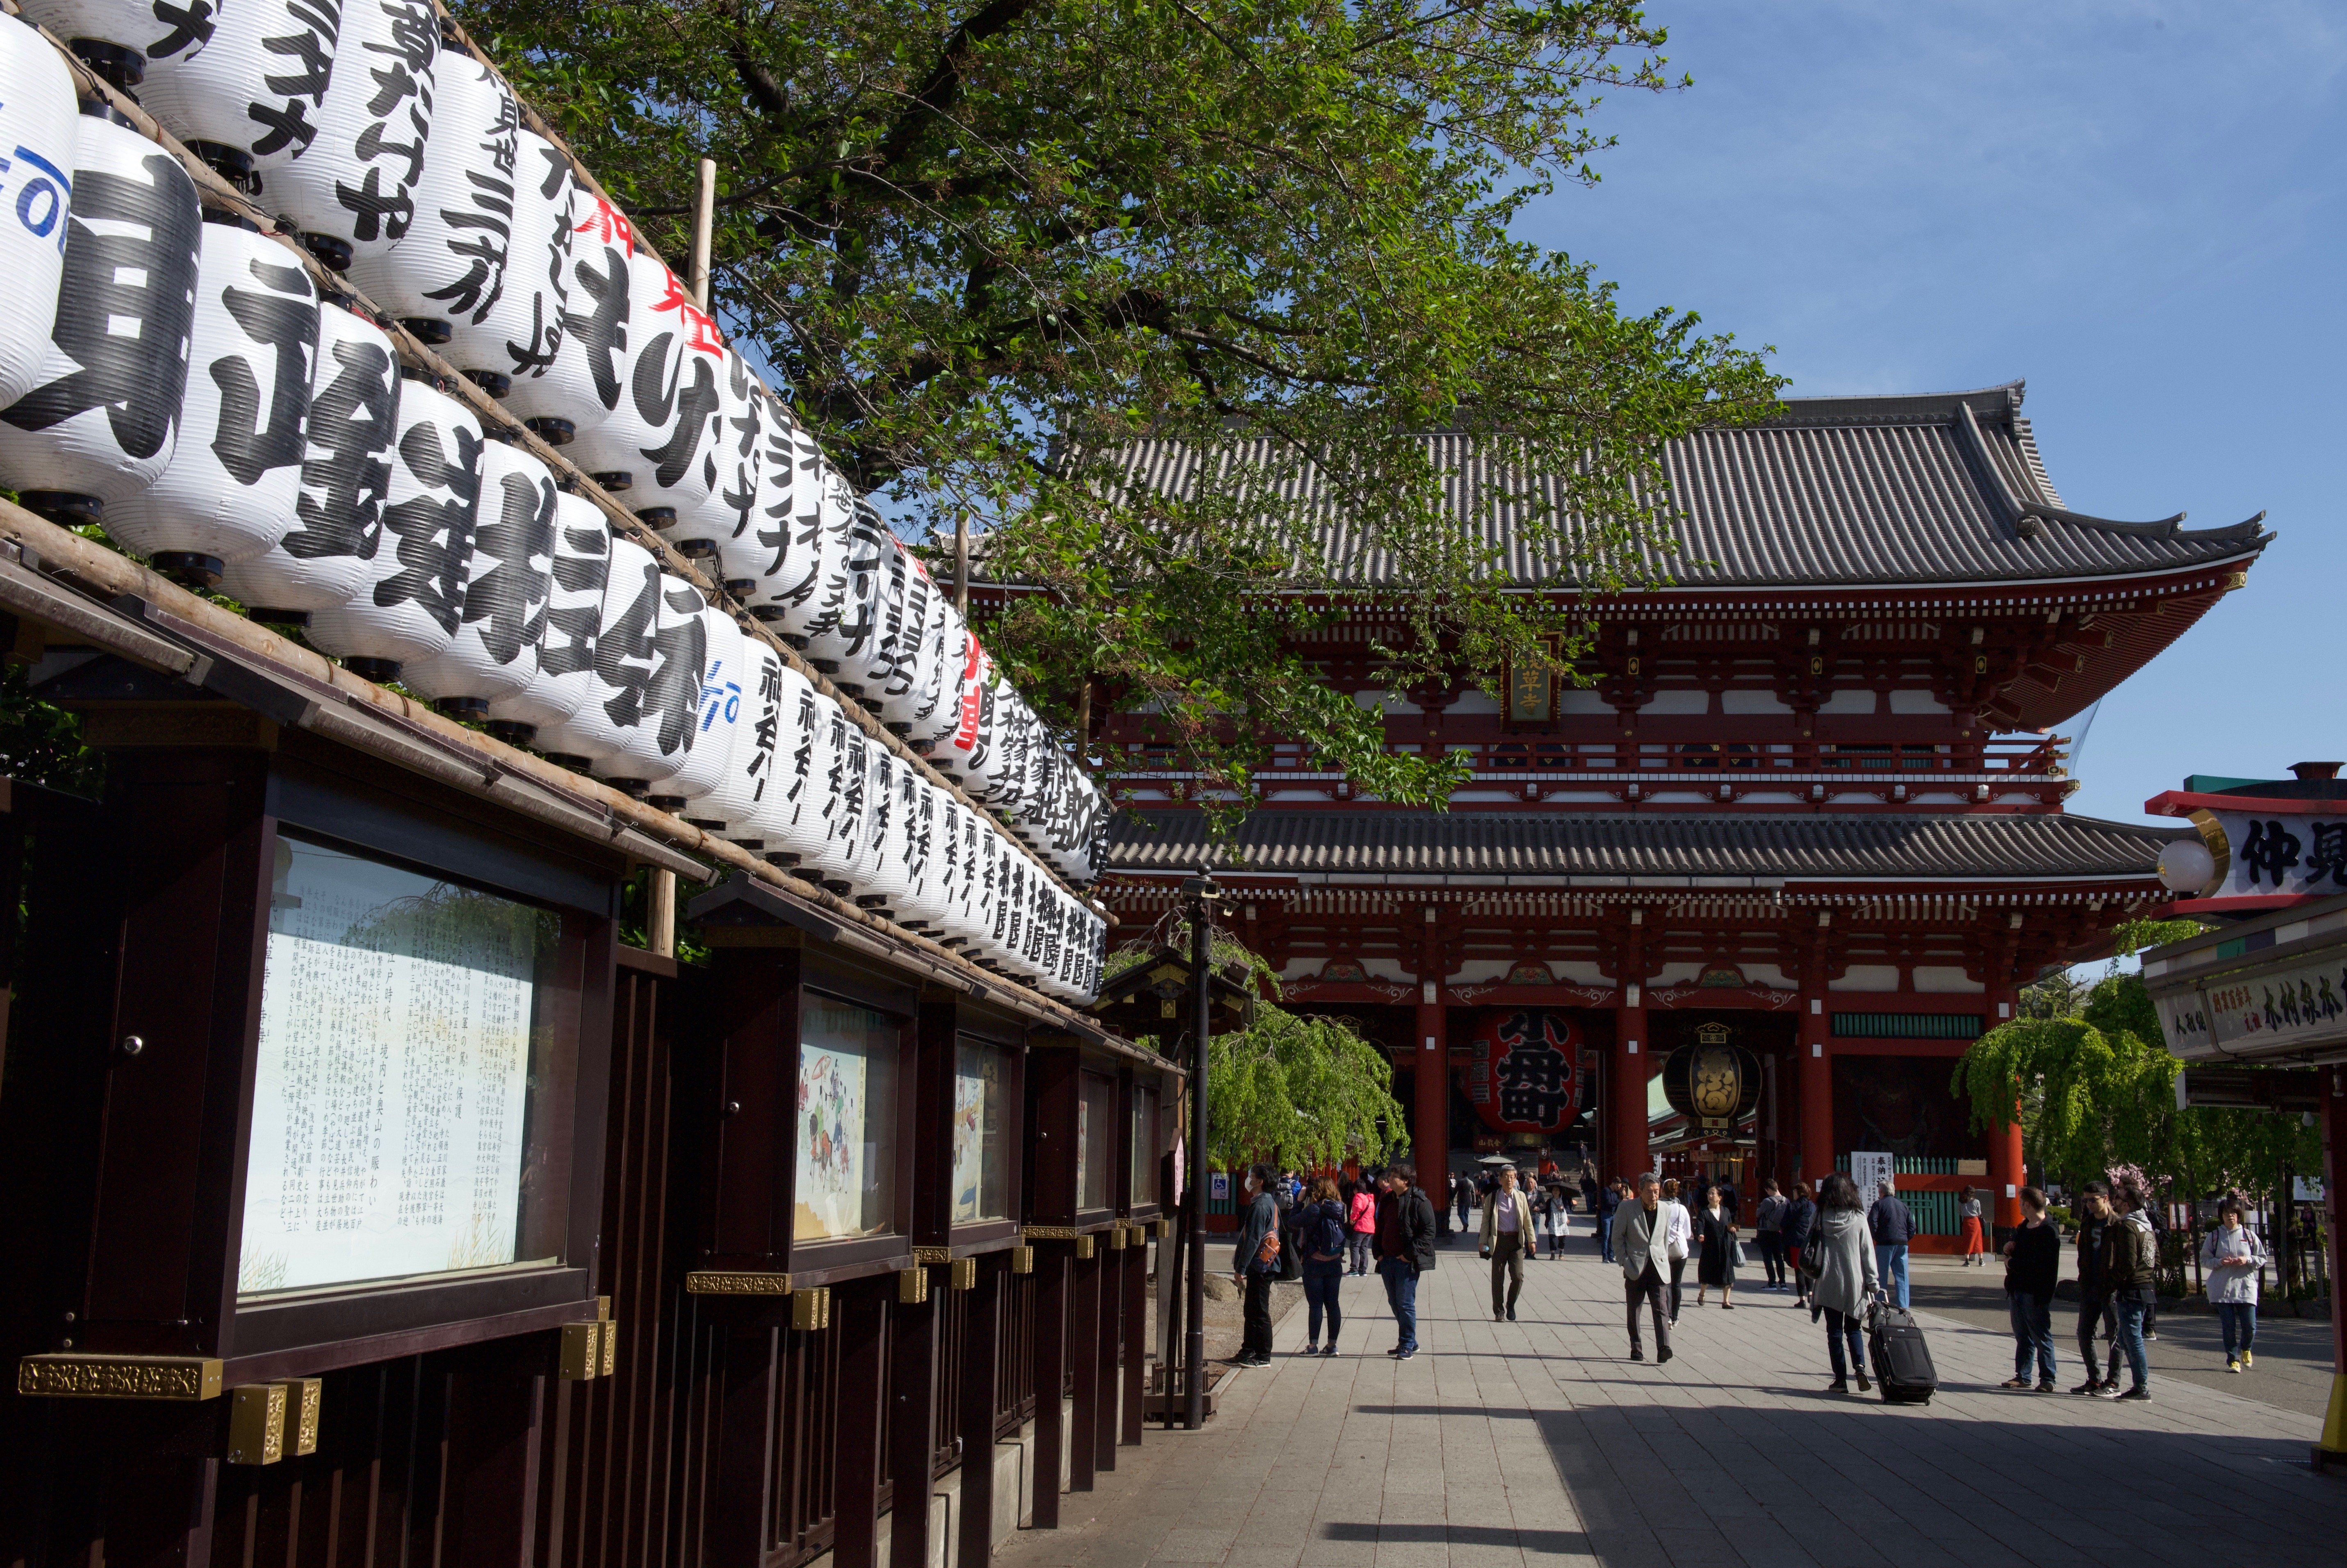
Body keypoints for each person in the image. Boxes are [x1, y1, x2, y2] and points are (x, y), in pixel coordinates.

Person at [1808, 1172, 1881, 1395]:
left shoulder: (1820, 1216)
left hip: (1828, 1280)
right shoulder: (1859, 1218)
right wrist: (1873, 1282)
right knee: (1854, 1329)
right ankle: (1859, 1367)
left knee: (1834, 1333)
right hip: (1854, 1283)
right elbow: (1867, 1252)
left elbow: (1809, 1244)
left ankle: (1840, 1380)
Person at [2098, 1176, 2158, 1401]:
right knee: (2124, 1338)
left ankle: (2141, 1387)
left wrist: (2110, 1284)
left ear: (2127, 1204)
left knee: (2133, 1339)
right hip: (2145, 1286)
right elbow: (2156, 1259)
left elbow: (2127, 1263)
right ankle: (2135, 1384)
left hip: (2132, 1288)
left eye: (2119, 1197)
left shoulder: (2128, 1226)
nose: (2115, 1200)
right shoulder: (2147, 1226)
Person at [1374, 1159, 1437, 1360]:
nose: (1390, 1179)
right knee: (1394, 1302)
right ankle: (1410, 1340)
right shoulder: (1387, 1200)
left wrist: (1409, 1254)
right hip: (1388, 1259)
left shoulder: (1420, 1201)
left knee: (1405, 1303)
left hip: (1407, 1261)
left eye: (1395, 1177)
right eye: (1390, 1176)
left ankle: (1407, 1343)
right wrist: (1378, 1252)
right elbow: (1380, 1228)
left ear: (1406, 1181)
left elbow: (1429, 1232)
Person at [1999, 1185, 2060, 1391]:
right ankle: (2023, 1375)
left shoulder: (2048, 1230)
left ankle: (2048, 1378)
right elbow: (2019, 1249)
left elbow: (2041, 1264)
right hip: (2017, 1287)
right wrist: (2011, 1247)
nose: (2019, 1206)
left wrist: (2013, 1263)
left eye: (2021, 1203)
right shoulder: (2024, 1226)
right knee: (2022, 1335)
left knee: (2040, 1335)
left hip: (2036, 1291)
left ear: (2028, 1204)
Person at [2201, 1194, 2270, 1373]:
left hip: (2245, 1288)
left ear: (2239, 1215)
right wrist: (2219, 1262)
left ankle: (2246, 1349)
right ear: (2221, 1216)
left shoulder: (2249, 1235)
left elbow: (2262, 1258)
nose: (2230, 1216)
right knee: (2229, 1327)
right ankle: (2233, 1360)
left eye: (2233, 1212)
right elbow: (2204, 1260)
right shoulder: (2214, 1236)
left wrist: (2247, 1259)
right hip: (2223, 1289)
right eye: (2226, 1213)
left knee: (2250, 1326)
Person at [1613, 1173, 1674, 1363]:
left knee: (1661, 1309)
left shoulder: (1665, 1209)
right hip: (1635, 1267)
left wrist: (1664, 1259)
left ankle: (1664, 1347)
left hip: (1657, 1267)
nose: (1654, 1196)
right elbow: (1617, 1238)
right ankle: (1636, 1347)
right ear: (1640, 1191)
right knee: (1634, 1310)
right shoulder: (1626, 1208)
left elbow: (1664, 1238)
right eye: (1649, 1192)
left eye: (1657, 1192)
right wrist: (1624, 1261)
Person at [1229, 1164, 1281, 1367]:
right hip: (1265, 1263)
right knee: (1251, 1310)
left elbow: (1253, 1239)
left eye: (1252, 1176)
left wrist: (1240, 1268)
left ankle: (1263, 1355)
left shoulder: (1261, 1206)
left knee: (1259, 1311)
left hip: (1261, 1265)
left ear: (1260, 1181)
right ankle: (1248, 1350)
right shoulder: (1269, 1203)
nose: (1248, 1180)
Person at [2071, 1181, 2117, 1395]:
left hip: (2111, 1288)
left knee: (2114, 1335)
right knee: (2084, 1333)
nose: (2089, 1204)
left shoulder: (2118, 1224)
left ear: (2106, 1199)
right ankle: (2094, 1379)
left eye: (2093, 1200)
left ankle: (2113, 1381)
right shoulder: (2087, 1223)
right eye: (2086, 1200)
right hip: (2090, 1285)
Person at [1298, 1176, 1349, 1355]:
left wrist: (1299, 1201)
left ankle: (1313, 1346)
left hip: (1315, 1262)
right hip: (1334, 1262)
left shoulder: (1314, 1209)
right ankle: (1332, 1345)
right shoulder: (1340, 1208)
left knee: (1316, 1306)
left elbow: (1293, 1222)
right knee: (1333, 1304)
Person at [1480, 1164, 1536, 1321]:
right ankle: (1499, 1311)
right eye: (1506, 1177)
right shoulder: (1493, 1198)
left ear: (1516, 1179)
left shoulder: (1521, 1197)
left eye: (1512, 1177)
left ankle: (1510, 1305)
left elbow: (1527, 1220)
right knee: (1498, 1278)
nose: (1510, 1180)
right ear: (1500, 1179)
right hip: (1499, 1241)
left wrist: (1532, 1240)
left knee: (1518, 1277)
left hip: (1516, 1241)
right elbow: (1485, 1222)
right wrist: (1483, 1241)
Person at [1867, 1174, 1914, 1310]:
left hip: (1885, 1243)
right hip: (1902, 1243)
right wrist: (1906, 1238)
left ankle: (1881, 1304)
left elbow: (1872, 1222)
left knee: (1881, 1276)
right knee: (1902, 1276)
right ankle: (1904, 1306)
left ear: (1881, 1192)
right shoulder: (1903, 1206)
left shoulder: (1878, 1205)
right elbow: (1912, 1226)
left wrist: (1876, 1237)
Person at [1693, 1184, 1740, 1309]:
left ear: (1720, 1197)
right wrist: (1700, 1234)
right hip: (1710, 1247)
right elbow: (1700, 1226)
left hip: (1725, 1246)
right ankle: (1702, 1294)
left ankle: (1726, 1301)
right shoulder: (1704, 1211)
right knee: (1706, 1272)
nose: (1710, 1196)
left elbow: (1730, 1225)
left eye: (1713, 1194)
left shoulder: (1726, 1211)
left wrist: (1734, 1228)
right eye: (1709, 1193)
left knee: (1727, 1273)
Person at [1659, 1178, 1692, 1324]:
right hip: (1680, 1250)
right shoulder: (1681, 1209)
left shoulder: (1659, 1207)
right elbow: (1688, 1233)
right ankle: (1675, 1316)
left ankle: (1666, 1313)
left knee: (1665, 1284)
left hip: (1663, 1249)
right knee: (1677, 1284)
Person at [1781, 1181, 1817, 1307]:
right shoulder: (1813, 1206)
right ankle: (1811, 1294)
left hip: (1796, 1241)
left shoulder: (1793, 1206)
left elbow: (1784, 1222)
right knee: (1809, 1267)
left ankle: (1802, 1299)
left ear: (1799, 1193)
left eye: (1795, 1192)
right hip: (1809, 1240)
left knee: (1799, 1270)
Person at [1754, 1179, 1787, 1292]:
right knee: (1779, 1257)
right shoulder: (1786, 1201)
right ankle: (1783, 1283)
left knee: (1768, 1258)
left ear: (1768, 1189)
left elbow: (1758, 1214)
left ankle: (1772, 1283)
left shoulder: (1768, 1201)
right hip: (1779, 1232)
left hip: (1766, 1231)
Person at [1347, 1174, 1379, 1276]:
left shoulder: (1358, 1197)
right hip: (1370, 1227)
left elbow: (1357, 1209)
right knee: (1364, 1247)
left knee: (1355, 1246)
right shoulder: (1370, 1198)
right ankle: (1363, 1269)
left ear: (1356, 1189)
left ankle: (1354, 1268)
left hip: (1361, 1226)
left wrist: (1353, 1219)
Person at [1957, 1186, 1987, 1267]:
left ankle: (1967, 1260)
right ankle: (1981, 1260)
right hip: (1975, 1221)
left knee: (1968, 1240)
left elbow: (1959, 1212)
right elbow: (1979, 1213)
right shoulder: (1977, 1202)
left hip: (1967, 1222)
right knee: (1978, 1240)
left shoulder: (1961, 1202)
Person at [1595, 1176, 1622, 1263]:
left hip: (1613, 1215)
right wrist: (1619, 1203)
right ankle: (1605, 1257)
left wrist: (1622, 1196)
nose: (1618, 1188)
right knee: (1606, 1236)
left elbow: (1617, 1203)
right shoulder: (1606, 1191)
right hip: (1606, 1215)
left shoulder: (1615, 1193)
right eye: (1618, 1186)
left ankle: (1611, 1256)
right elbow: (1608, 1203)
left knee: (1612, 1236)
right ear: (1614, 1184)